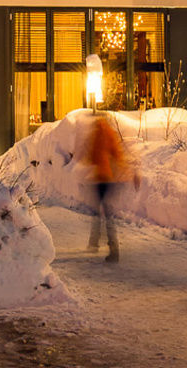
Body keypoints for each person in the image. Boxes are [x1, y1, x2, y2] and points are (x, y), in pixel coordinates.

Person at [81, 110, 135, 262]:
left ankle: (106, 246)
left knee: (99, 212)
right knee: (105, 212)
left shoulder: (96, 134)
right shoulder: (110, 133)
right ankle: (102, 244)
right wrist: (126, 171)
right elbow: (118, 154)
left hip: (100, 178)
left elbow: (90, 157)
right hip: (110, 179)